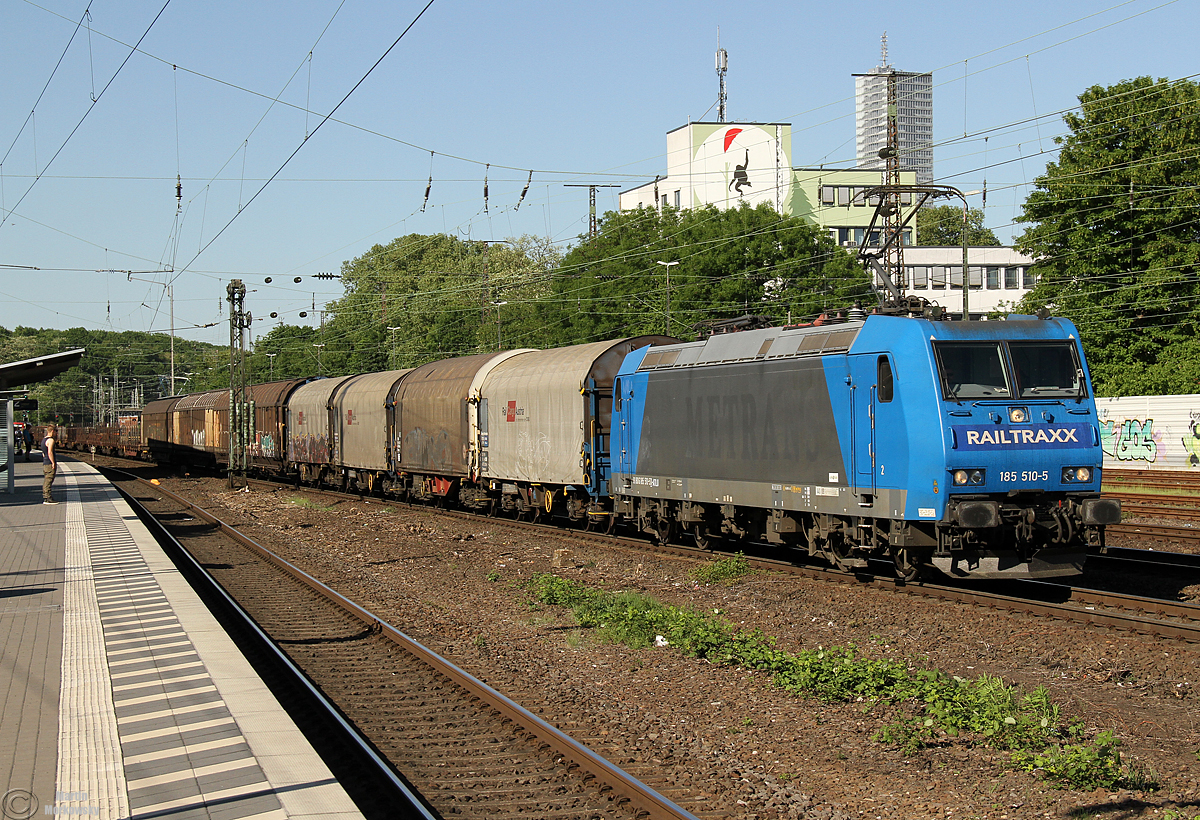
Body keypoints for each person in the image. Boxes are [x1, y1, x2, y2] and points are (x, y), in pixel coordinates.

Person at [40, 426, 58, 505]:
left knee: (47, 479)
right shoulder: (50, 440)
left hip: (45, 462)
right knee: (49, 480)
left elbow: (43, 453)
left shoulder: (44, 440)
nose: (56, 433)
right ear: (52, 431)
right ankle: (47, 498)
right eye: (56, 432)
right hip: (49, 463)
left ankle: (47, 496)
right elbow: (50, 452)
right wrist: (53, 462)